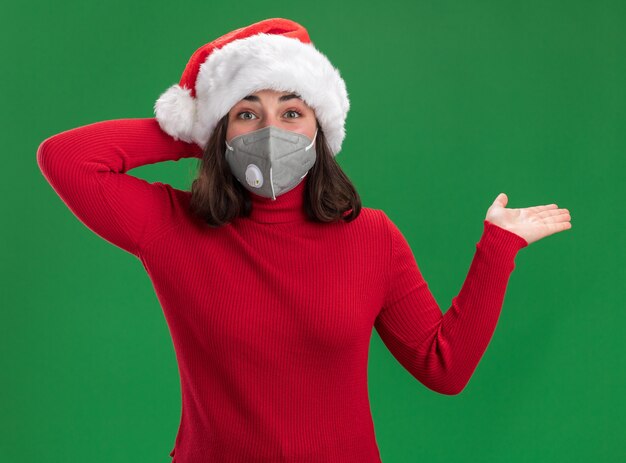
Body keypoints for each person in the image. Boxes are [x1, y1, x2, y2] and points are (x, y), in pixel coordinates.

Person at [36, 17, 572, 463]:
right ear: (219, 131)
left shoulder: (371, 236)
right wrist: (195, 126)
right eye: (248, 113)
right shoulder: (174, 226)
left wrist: (499, 247)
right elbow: (67, 158)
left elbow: (443, 365)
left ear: (321, 131)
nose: (271, 131)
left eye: (292, 112)